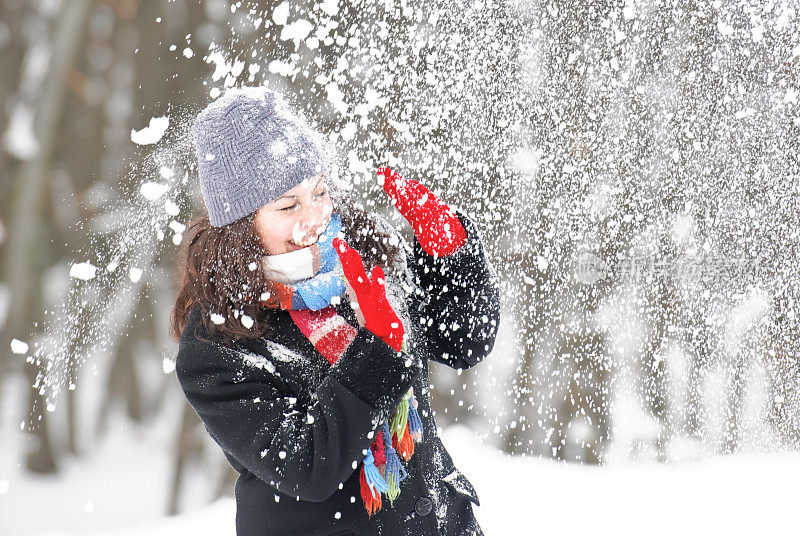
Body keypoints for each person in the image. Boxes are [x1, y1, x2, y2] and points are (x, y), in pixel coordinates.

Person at [170, 86, 500, 536]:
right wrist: (377, 349)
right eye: (287, 205)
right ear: (240, 225)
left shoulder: (358, 265)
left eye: (319, 192)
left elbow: (463, 342)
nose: (314, 217)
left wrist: (450, 255)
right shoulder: (218, 346)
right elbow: (310, 467)